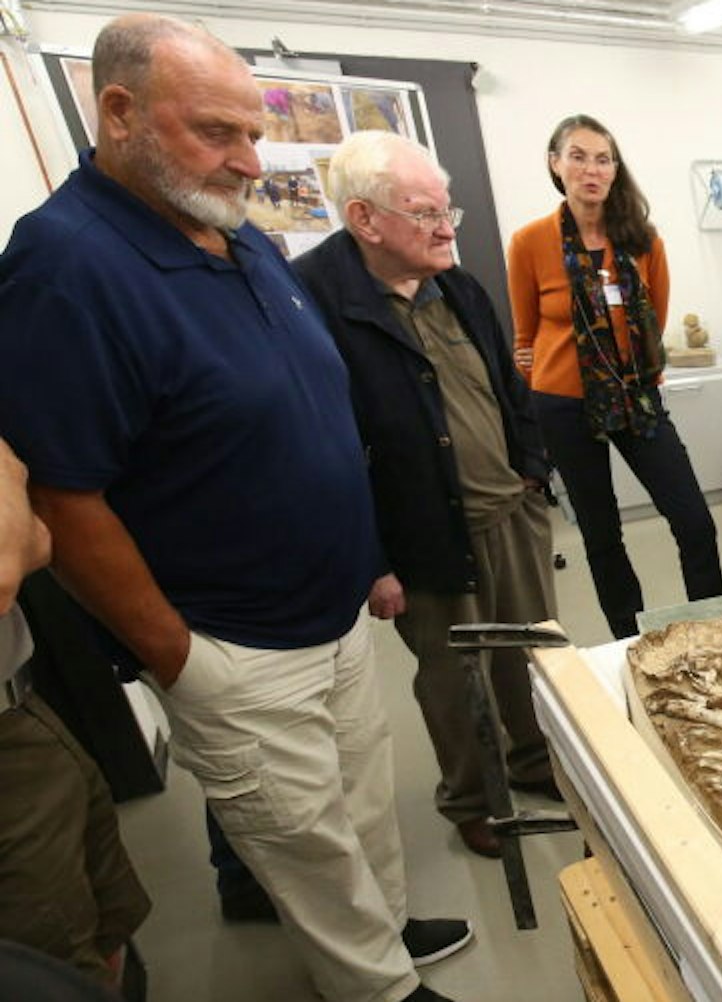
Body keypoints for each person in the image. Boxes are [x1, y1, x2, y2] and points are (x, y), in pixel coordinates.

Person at [0, 16, 467, 1002]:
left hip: (333, 610)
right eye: (217, 132)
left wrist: (364, 559)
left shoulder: (233, 232)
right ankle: (377, 988)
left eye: (253, 133)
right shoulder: (65, 266)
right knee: (305, 842)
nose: (250, 161)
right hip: (233, 638)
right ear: (118, 113)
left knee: (360, 802)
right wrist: (176, 655)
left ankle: (385, 933)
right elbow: (64, 494)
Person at [294, 130, 560, 860]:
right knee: (455, 678)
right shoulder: (315, 301)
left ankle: (535, 761)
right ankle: (475, 800)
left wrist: (532, 471)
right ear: (365, 218)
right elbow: (323, 444)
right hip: (426, 535)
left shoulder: (457, 286)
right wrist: (373, 560)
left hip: (512, 512)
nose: (446, 228)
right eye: (424, 213)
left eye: (448, 210)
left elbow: (509, 386)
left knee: (530, 654)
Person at [508, 114, 722, 638]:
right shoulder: (530, 242)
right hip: (562, 405)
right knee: (602, 535)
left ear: (615, 168)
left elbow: (655, 320)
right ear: (555, 165)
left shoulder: (642, 240)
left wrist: (627, 369)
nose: (592, 170)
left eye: (603, 159)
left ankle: (712, 630)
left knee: (694, 519)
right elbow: (525, 338)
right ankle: (628, 640)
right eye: (578, 157)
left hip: (636, 397)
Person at [0, 436, 150, 993]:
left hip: (24, 707)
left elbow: (37, 539)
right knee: (53, 954)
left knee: (104, 920)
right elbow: (5, 566)